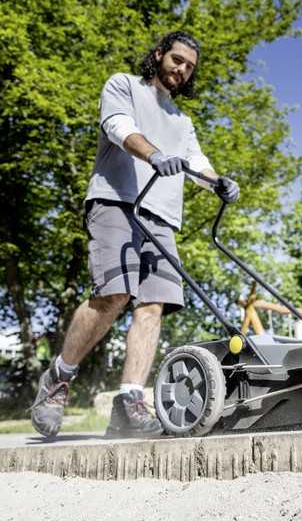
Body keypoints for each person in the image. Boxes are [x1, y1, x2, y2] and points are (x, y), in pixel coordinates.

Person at [30, 31, 239, 438]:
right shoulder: (123, 85)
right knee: (113, 295)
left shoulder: (182, 120)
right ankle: (58, 378)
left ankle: (129, 402)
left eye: (190, 66)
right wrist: (153, 154)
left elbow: (197, 162)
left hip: (161, 217)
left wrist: (218, 183)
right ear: (160, 54)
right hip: (117, 201)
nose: (182, 69)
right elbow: (118, 127)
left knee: (154, 305)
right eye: (177, 60)